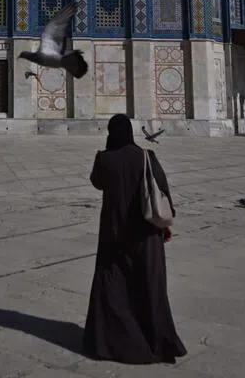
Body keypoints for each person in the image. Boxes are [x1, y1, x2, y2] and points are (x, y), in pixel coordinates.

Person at [82, 114, 186, 364]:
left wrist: (108, 152)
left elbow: (97, 182)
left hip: (114, 232)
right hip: (147, 235)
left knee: (113, 288)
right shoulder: (146, 157)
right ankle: (156, 341)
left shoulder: (104, 159)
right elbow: (162, 189)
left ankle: (112, 343)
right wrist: (166, 226)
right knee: (149, 287)